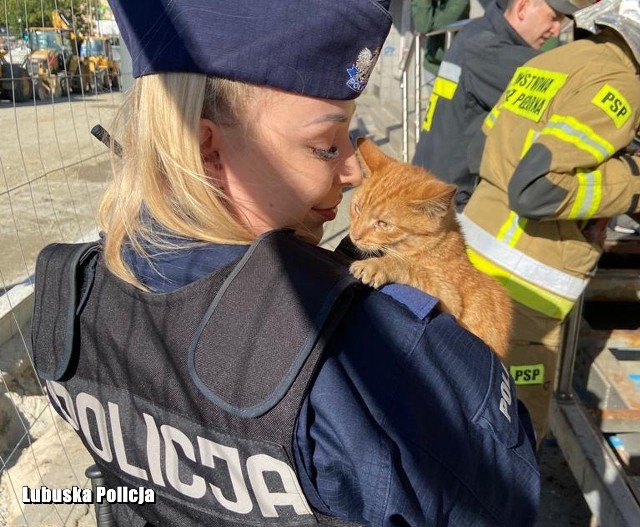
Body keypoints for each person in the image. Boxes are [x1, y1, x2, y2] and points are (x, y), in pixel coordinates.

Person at [31, 1, 540, 525]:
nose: (350, 172)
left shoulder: (73, 295)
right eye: (324, 145)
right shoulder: (378, 351)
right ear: (208, 147)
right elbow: (502, 501)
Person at [460, 0, 640, 449]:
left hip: (469, 267)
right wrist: (631, 180)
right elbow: (537, 188)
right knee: (509, 444)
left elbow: (477, 154)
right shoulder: (621, 83)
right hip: (522, 298)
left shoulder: (551, 62)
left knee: (460, 415)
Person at [412, 0, 585, 211]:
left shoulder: (475, 32)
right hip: (452, 200)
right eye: (553, 18)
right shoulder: (490, 50)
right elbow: (573, 89)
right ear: (523, 7)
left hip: (434, 184)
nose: (556, 31)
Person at [411, 0, 470, 82]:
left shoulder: (460, 2)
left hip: (453, 69)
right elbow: (422, 26)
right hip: (431, 66)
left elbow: (428, 26)